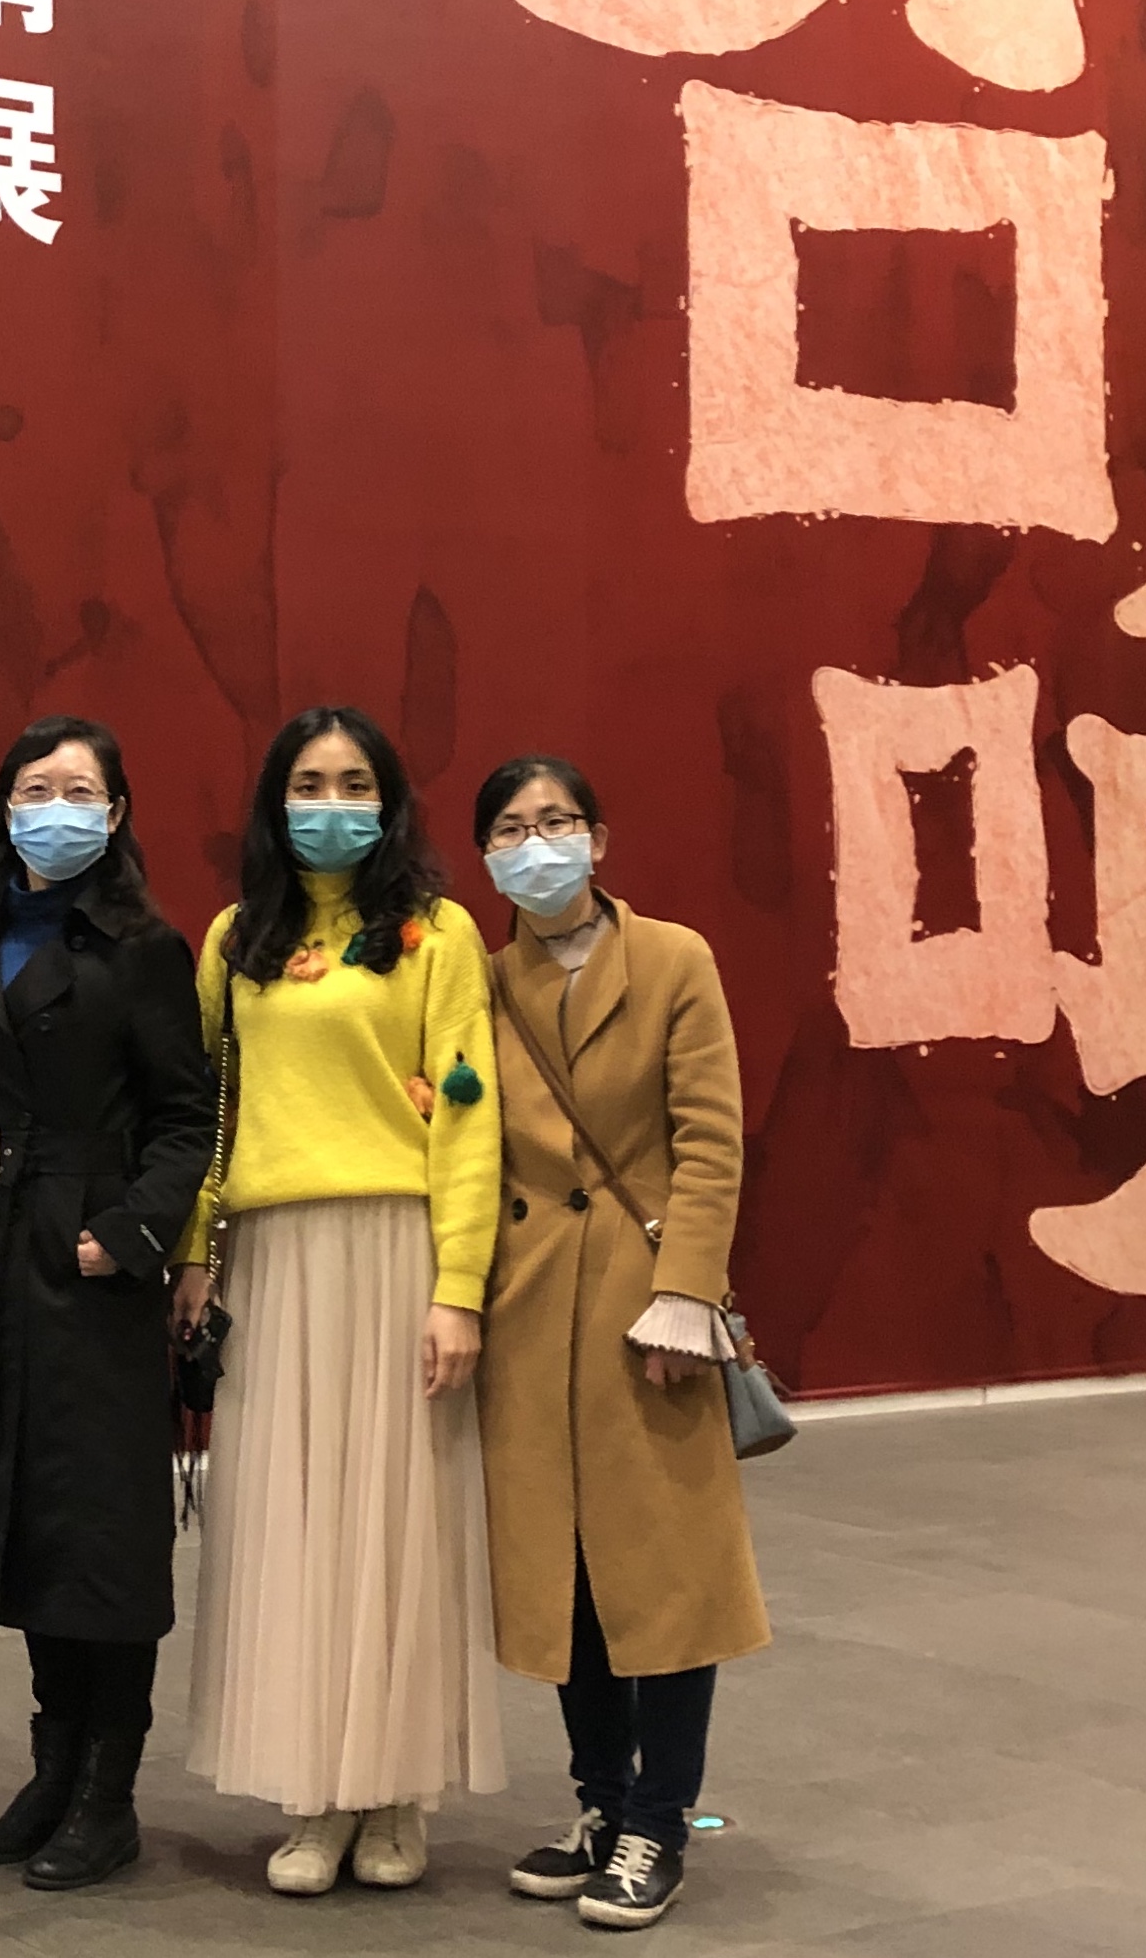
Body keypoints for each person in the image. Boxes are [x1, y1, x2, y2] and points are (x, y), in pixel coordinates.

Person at [170, 704, 505, 1895]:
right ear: (275, 802)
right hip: (273, 1259)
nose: (332, 804)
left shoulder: (438, 933)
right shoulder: (235, 939)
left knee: (396, 1525)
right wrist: (196, 1253)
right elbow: (205, 1109)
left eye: (354, 783)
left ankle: (394, 1791)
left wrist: (458, 1287)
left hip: (395, 1250)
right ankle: (314, 1796)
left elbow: (468, 1111)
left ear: (389, 798)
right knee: (294, 1527)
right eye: (309, 783)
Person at [0, 717, 216, 1891]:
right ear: (5, 805)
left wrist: (132, 1231)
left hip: (90, 1267)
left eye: (81, 791)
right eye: (37, 788)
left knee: (101, 1535)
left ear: (117, 814)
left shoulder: (144, 946)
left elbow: (188, 1114)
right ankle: (51, 1769)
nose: (57, 808)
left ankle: (107, 1792)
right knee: (26, 1525)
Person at [473, 755, 769, 1933]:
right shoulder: (482, 981)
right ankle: (599, 1804)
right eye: (510, 827)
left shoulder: (674, 960)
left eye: (556, 821)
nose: (535, 844)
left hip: (647, 1314)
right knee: (569, 1582)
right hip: (529, 1308)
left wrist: (687, 1293)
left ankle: (659, 1822)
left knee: (665, 1574)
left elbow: (711, 1138)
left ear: (599, 839)